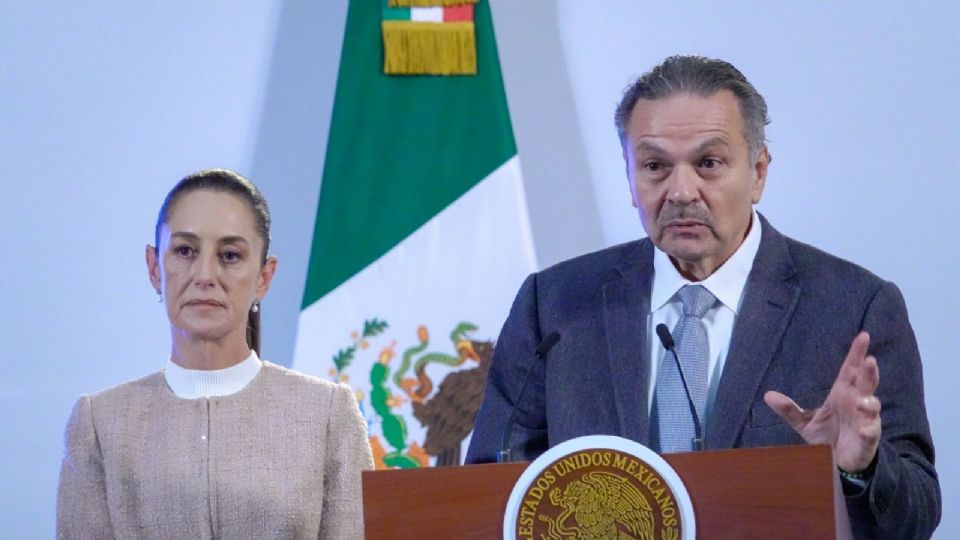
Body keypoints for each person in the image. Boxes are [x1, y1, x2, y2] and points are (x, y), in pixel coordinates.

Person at [466, 56, 940, 538]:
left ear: (757, 172)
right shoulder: (555, 304)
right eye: (654, 166)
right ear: (630, 178)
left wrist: (857, 470)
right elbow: (488, 487)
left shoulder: (852, 307)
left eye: (708, 163)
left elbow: (915, 519)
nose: (680, 191)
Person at [57, 169, 374, 539]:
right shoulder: (100, 423)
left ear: (264, 277)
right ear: (154, 267)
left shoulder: (326, 413)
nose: (204, 274)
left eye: (229, 255)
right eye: (185, 251)